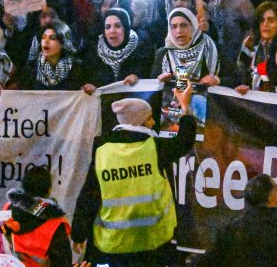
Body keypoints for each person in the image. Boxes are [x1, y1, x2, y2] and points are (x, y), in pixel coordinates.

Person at [71, 84, 196, 267]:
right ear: (141, 121)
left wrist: (78, 234)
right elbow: (185, 139)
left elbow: (89, 196)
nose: (153, 123)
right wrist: (185, 107)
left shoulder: (102, 151)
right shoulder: (155, 148)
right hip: (153, 241)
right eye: (150, 118)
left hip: (113, 244)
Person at [2, 165, 73, 267]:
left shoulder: (7, 211)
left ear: (24, 187)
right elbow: (63, 263)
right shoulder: (56, 224)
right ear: (49, 190)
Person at [82, 7, 152, 89]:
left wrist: (138, 78)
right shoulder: (93, 52)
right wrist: (89, 86)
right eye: (108, 27)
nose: (112, 31)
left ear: (126, 28)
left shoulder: (142, 49)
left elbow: (150, 80)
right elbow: (83, 81)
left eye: (117, 26)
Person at [153, 7, 220, 86]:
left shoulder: (210, 48)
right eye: (174, 26)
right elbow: (153, 82)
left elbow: (232, 78)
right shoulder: (163, 53)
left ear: (193, 26)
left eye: (184, 25)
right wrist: (162, 80)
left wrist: (216, 79)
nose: (179, 31)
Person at [22, 20, 83, 90]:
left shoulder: (76, 67)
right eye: (44, 37)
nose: (46, 41)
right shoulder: (32, 67)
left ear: (63, 43)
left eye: (52, 38)